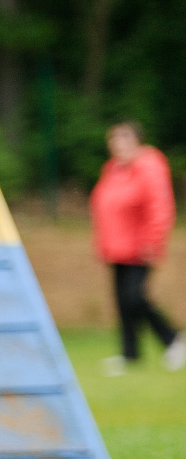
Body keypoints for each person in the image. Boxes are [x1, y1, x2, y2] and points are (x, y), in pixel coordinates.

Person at [89, 121, 183, 374]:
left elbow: (160, 207)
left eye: (123, 139)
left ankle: (173, 338)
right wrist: (103, 244)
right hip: (115, 247)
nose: (117, 144)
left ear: (136, 141)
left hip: (140, 246)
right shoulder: (112, 169)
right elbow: (104, 207)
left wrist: (154, 241)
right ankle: (130, 354)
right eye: (114, 139)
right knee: (121, 302)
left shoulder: (150, 166)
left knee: (135, 298)